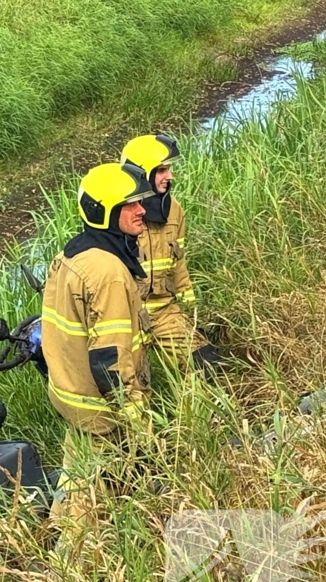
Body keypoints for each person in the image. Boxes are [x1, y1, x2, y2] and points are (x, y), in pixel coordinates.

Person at [41, 162, 156, 537]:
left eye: (140, 201)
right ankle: (72, 570)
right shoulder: (108, 272)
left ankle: (54, 535)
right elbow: (111, 359)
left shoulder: (73, 254)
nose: (141, 210)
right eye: (129, 205)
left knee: (75, 481)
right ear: (103, 212)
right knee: (90, 506)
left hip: (73, 396)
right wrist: (140, 422)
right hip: (102, 409)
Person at [120, 133, 222, 370]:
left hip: (166, 313)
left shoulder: (174, 211)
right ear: (141, 173)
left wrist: (192, 313)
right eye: (162, 170)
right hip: (128, 319)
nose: (169, 176)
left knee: (209, 366)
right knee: (130, 386)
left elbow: (179, 265)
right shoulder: (119, 216)